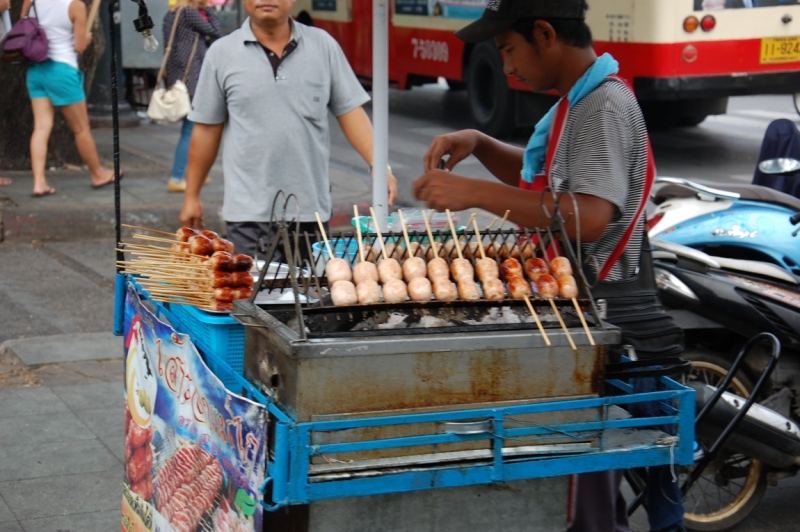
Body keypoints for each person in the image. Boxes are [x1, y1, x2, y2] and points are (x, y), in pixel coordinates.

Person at [413, 1, 685, 531]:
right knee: (592, 488)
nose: (506, 66)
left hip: (614, 325)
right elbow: (549, 178)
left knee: (608, 485)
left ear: (545, 33)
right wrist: (480, 144)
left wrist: (475, 193)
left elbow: (588, 216)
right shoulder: (575, 103)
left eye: (509, 49)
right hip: (583, 318)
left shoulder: (602, 104)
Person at [178, 0, 397, 259]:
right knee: (253, 297)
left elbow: (350, 111)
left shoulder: (323, 46)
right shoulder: (222, 53)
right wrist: (192, 195)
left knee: (310, 296)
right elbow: (206, 130)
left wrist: (379, 164)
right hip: (249, 215)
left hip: (310, 211)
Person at [21, 0, 116, 197]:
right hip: (62, 70)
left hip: (36, 69)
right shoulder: (75, 6)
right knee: (81, 129)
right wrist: (86, 38)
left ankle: (39, 182)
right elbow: (79, 45)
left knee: (40, 127)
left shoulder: (31, 0)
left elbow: (24, 26)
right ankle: (97, 173)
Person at [162, 0, 220, 193]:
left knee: (194, 129)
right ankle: (176, 178)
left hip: (178, 76)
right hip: (192, 78)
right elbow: (215, 31)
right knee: (190, 130)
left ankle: (196, 175)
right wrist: (210, 10)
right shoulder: (189, 13)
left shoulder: (170, 15)